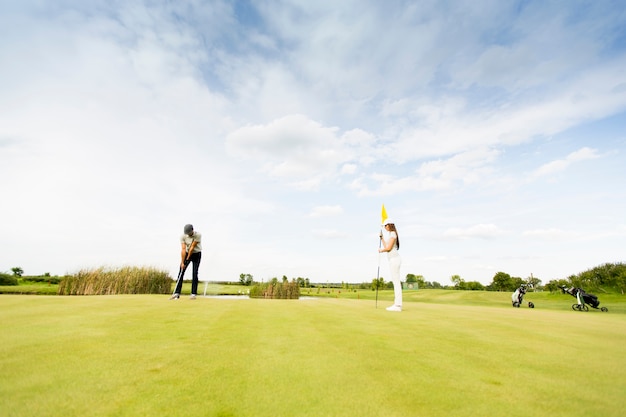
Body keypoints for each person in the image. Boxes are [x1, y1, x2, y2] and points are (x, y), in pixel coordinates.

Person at [170, 224, 202, 300]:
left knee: (194, 273)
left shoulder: (198, 235)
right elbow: (184, 249)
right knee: (181, 271)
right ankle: (177, 293)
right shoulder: (183, 236)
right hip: (187, 253)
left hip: (196, 254)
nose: (188, 234)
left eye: (189, 232)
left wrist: (188, 258)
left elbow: (192, 248)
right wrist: (182, 262)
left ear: (192, 230)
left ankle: (193, 294)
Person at [379, 218, 402, 312]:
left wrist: (381, 250)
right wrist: (382, 238)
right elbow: (386, 247)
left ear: (390, 225)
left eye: (385, 225)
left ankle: (398, 305)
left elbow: (387, 249)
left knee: (396, 282)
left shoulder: (393, 233)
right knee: (395, 282)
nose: (385, 227)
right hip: (392, 260)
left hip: (395, 260)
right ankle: (397, 304)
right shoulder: (390, 234)